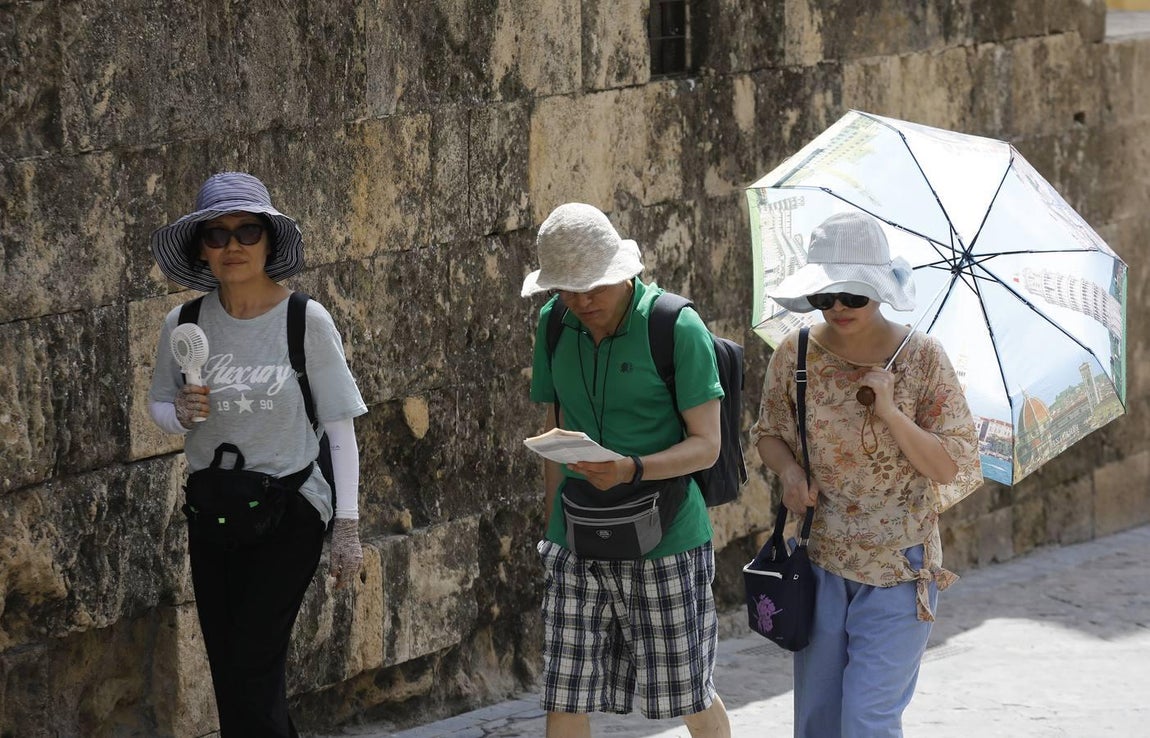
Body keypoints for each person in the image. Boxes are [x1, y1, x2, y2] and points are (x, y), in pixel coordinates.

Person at [146, 172, 368, 737]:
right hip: (213, 507)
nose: (233, 246)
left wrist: (347, 526)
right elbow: (160, 409)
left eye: (246, 231)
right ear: (202, 248)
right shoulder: (185, 324)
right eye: (216, 235)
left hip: (290, 507)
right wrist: (183, 412)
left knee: (252, 659)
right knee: (232, 668)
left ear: (268, 240)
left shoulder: (305, 320)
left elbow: (339, 426)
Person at [751, 211, 982, 738]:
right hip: (819, 560)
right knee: (819, 721)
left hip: (900, 568)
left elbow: (950, 465)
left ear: (879, 289)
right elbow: (768, 432)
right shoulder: (797, 352)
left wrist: (892, 412)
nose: (836, 308)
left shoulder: (923, 359)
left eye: (852, 296)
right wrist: (788, 471)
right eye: (823, 297)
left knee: (867, 722)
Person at [522, 202, 732, 738]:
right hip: (576, 538)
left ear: (625, 272)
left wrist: (631, 468)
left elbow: (707, 446)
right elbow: (556, 428)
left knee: (686, 691)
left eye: (593, 286)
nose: (581, 301)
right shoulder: (553, 325)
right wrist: (553, 533)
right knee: (565, 691)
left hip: (667, 538)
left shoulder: (676, 327)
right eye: (566, 289)